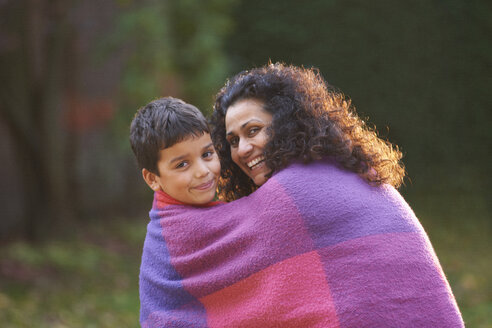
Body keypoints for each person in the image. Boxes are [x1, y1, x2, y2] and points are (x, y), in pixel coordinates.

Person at [207, 63, 464, 326]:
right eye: (233, 141)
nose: (243, 149)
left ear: (286, 124)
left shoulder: (290, 193)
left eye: (253, 131)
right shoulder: (360, 174)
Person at [129, 97, 222, 327]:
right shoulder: (174, 231)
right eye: (182, 164)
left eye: (207, 154)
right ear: (153, 179)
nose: (203, 171)